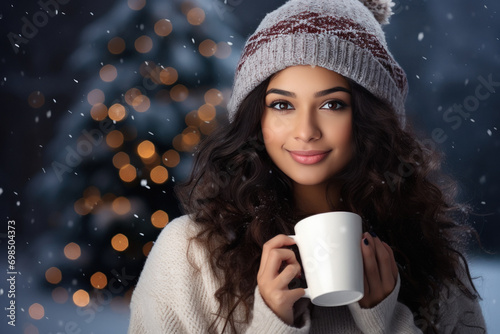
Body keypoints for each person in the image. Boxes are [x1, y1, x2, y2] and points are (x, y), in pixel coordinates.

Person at [128, 0, 486, 333]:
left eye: (332, 105)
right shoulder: (188, 255)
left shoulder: (432, 260)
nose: (306, 132)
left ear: (371, 120)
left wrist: (388, 322)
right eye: (283, 105)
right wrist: (272, 323)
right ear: (256, 120)